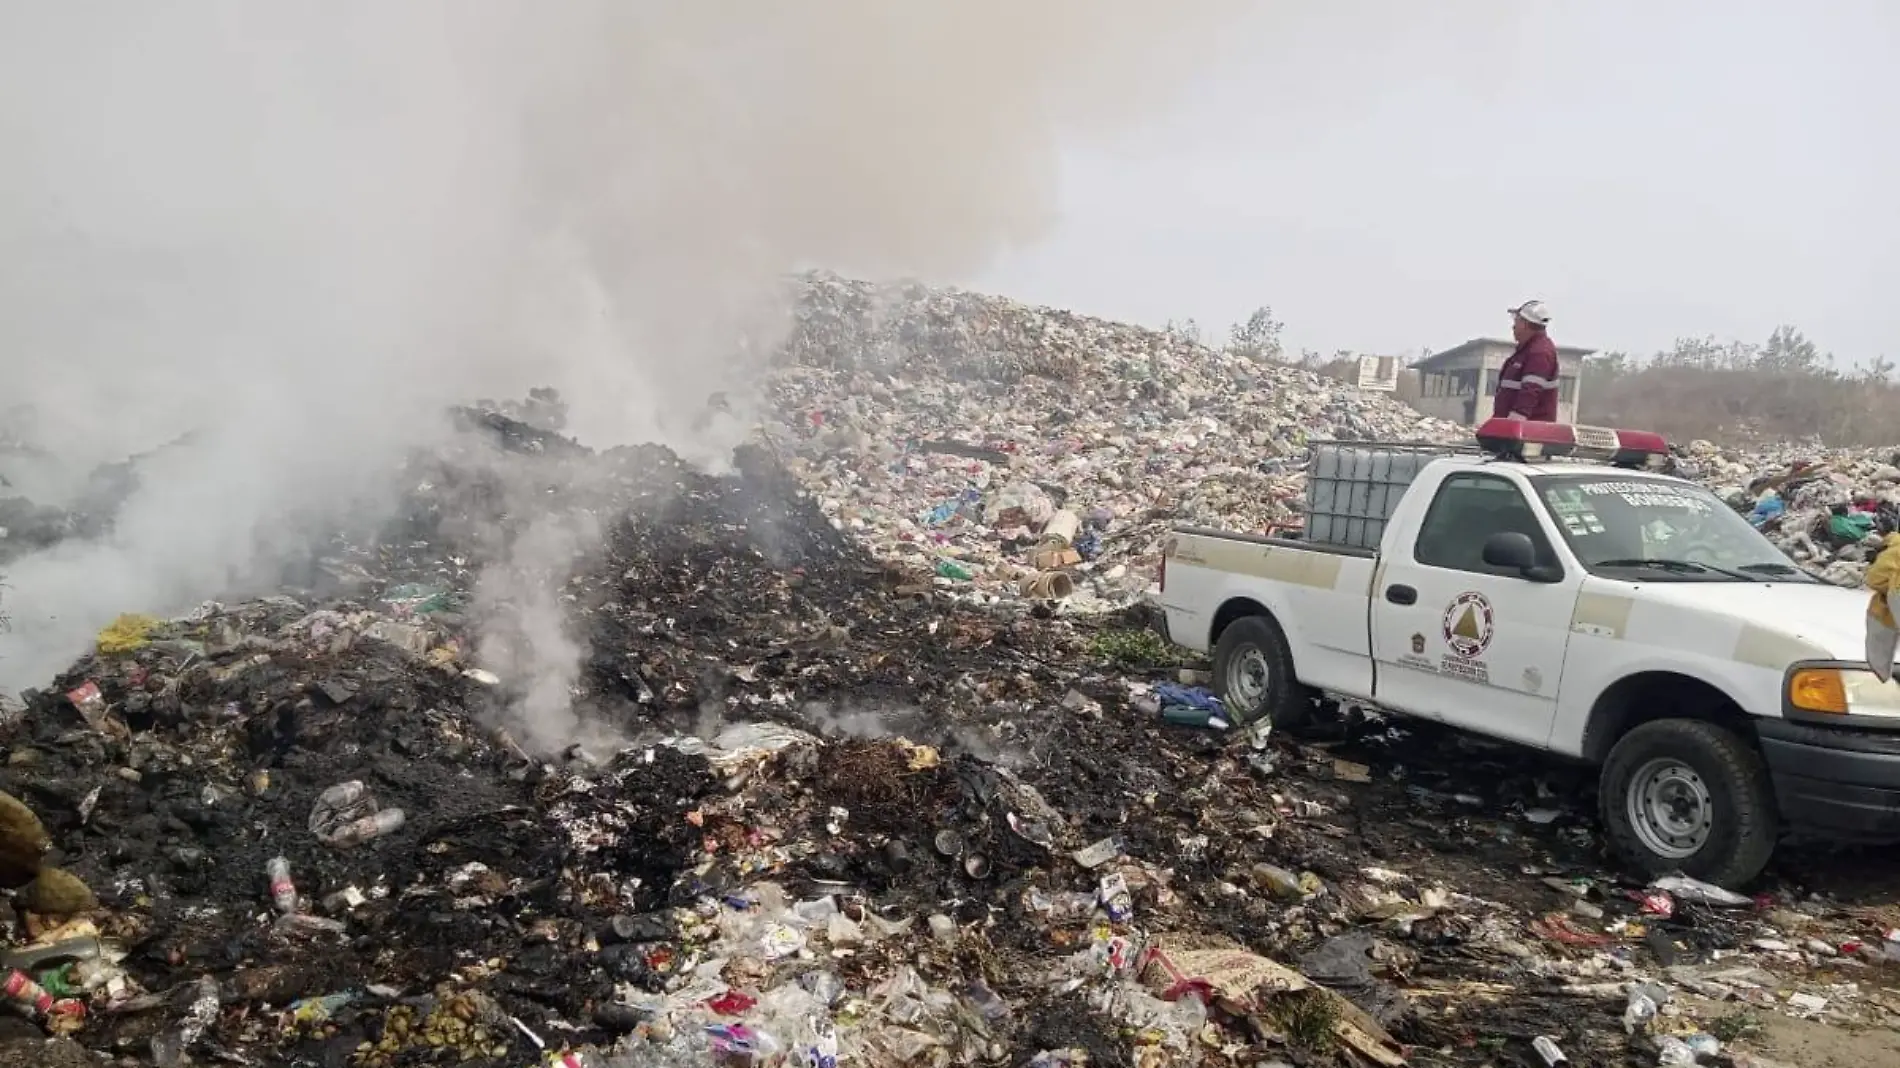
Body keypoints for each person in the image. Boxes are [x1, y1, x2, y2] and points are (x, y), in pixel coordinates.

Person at [1493, 300, 1560, 421]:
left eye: (1516, 321)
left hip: (1527, 434)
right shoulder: (1525, 352)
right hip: (1513, 430)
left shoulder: (1540, 353)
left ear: (1525, 324)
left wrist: (1510, 426)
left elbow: (1529, 393)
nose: (1513, 326)